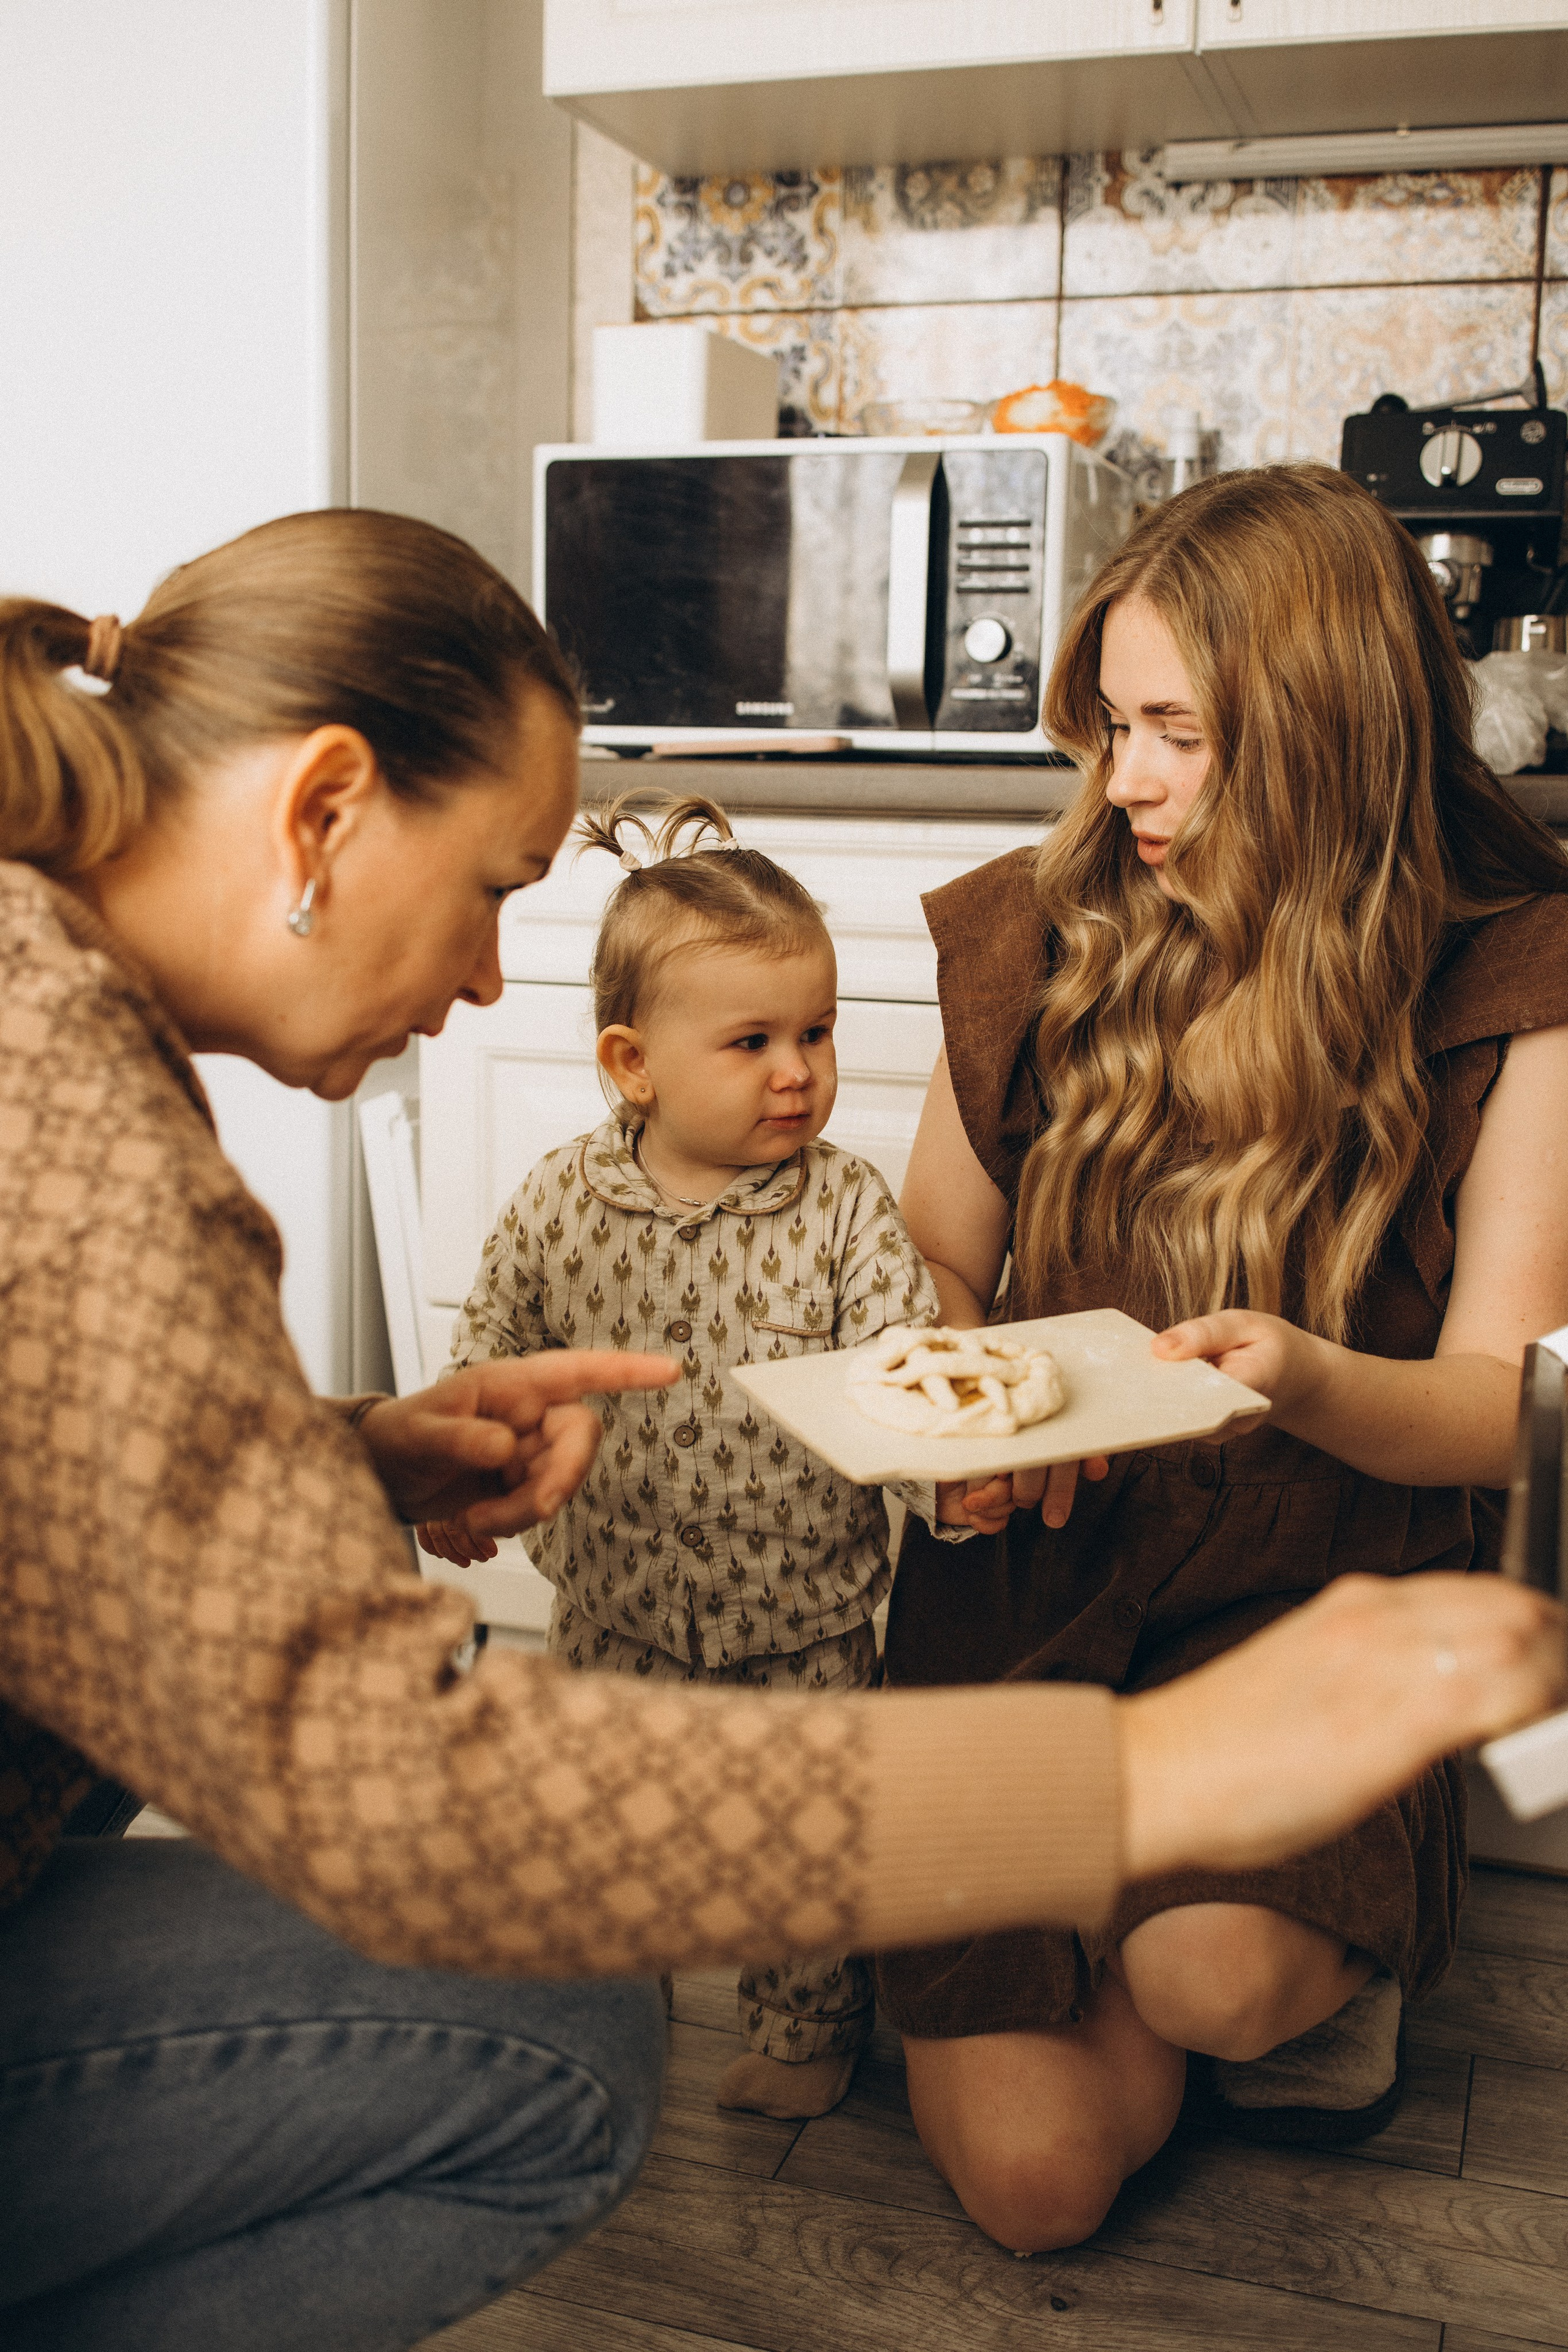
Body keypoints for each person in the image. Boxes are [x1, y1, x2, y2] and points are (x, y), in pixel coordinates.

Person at [0, 509, 1561, 2351]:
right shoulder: (72, 1110)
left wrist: (332, 1458)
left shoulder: (53, 1017)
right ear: (323, 813)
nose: (504, 980)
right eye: (504, 885)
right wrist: (1145, 1786)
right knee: (572, 2033)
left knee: (1185, 1974)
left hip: (1280, 1556)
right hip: (1053, 1599)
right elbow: (398, 1798)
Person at [877, 460, 1568, 2255]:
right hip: (1031, 1578)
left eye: (1178, 731)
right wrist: (968, 1403)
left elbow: (1505, 1414)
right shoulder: (1037, 929)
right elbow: (936, 1254)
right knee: (1038, 2191)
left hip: (1304, 1591)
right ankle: (1146, 1887)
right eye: (1110, 725)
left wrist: (1306, 1377)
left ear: (1329, 730)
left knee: (1213, 1980)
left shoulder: (1516, 978)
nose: (1127, 782)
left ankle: (1243, 1932)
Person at [418, 793, 974, 2124]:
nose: (798, 1071)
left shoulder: (841, 1210)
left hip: (806, 1615)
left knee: (801, 1833)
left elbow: (902, 1368)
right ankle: (608, 2009)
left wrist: (955, 1480)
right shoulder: (559, 1200)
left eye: (817, 1033)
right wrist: (453, 1461)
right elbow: (489, 1348)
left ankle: (806, 2024)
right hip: (615, 1603)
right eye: (752, 1041)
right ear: (633, 1063)